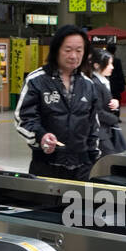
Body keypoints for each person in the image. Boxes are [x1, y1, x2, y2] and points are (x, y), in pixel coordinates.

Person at [14, 25, 101, 180]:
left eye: (79, 50)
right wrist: (41, 136)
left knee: (80, 205)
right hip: (46, 167)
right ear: (56, 50)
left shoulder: (88, 84)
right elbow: (23, 118)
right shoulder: (36, 80)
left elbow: (93, 127)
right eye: (67, 50)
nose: (73, 56)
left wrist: (94, 159)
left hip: (82, 168)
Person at [89, 49, 126, 155]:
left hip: (104, 131)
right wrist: (115, 119)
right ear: (97, 65)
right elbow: (98, 112)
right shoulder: (95, 83)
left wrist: (115, 103)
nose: (112, 67)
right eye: (109, 64)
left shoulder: (103, 81)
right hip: (100, 132)